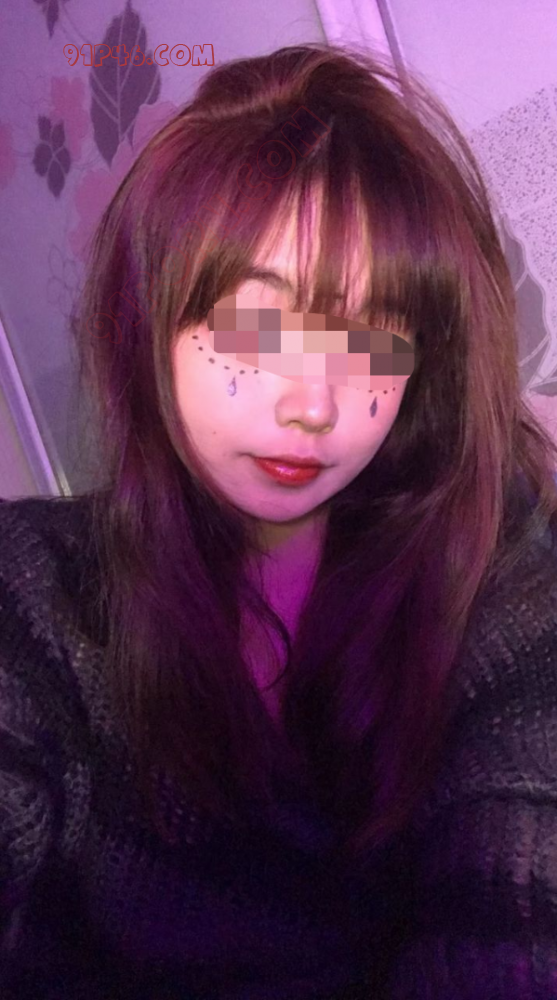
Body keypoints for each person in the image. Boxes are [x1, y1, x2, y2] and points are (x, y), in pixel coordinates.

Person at [1, 41, 557, 1000]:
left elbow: (513, 907)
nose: (313, 405)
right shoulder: (36, 592)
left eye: (371, 339)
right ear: (150, 325)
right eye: (256, 329)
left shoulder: (486, 593)